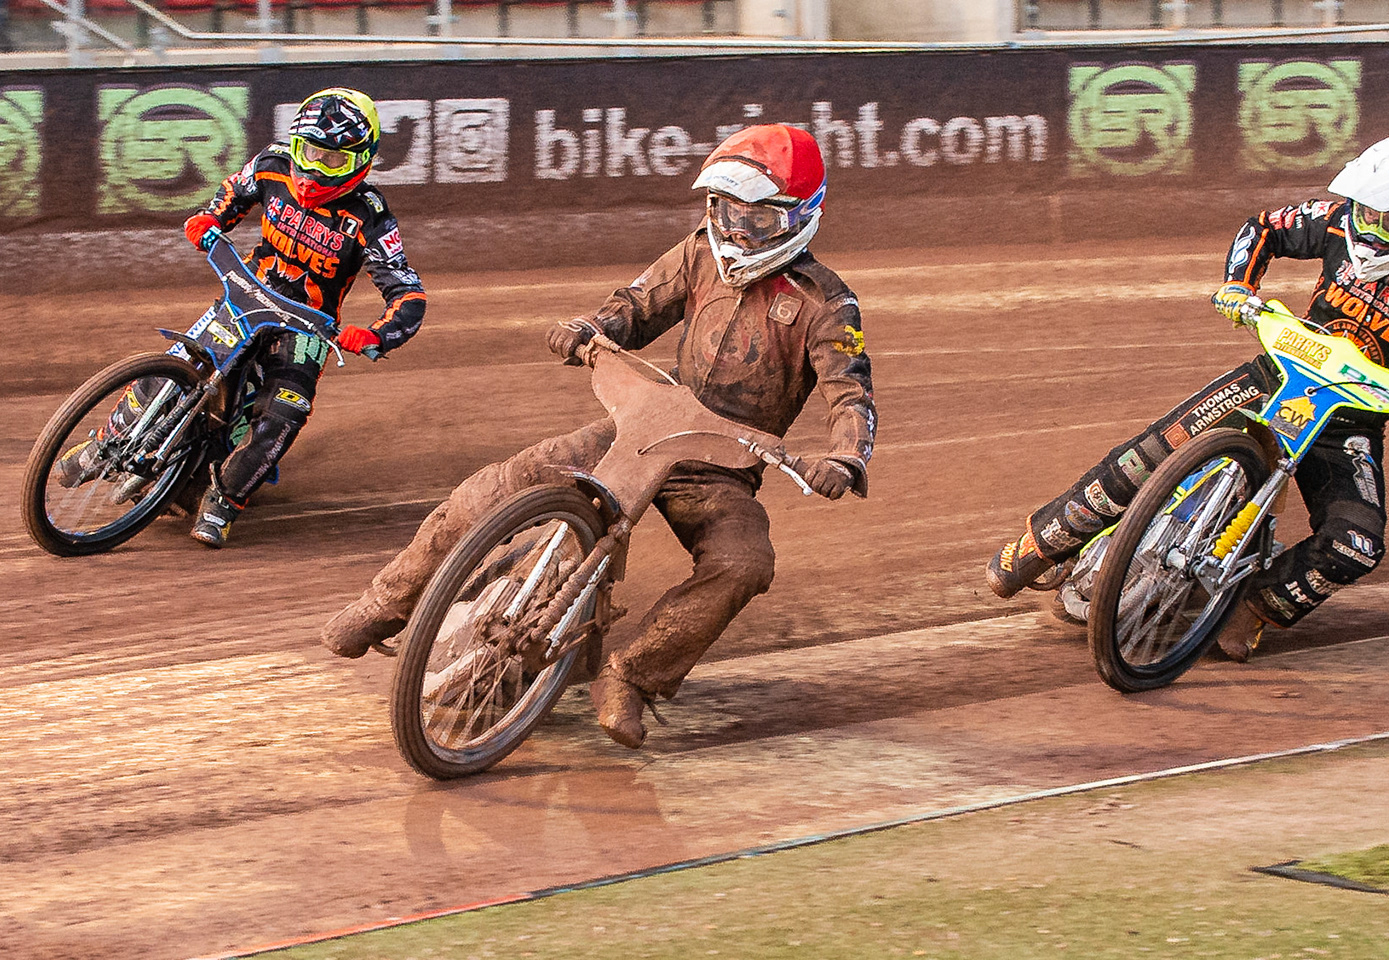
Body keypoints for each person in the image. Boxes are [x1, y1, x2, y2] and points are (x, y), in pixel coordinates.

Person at [321, 123, 876, 749]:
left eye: (757, 219)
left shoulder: (828, 304)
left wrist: (845, 457)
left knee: (744, 562)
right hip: (641, 426)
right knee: (498, 484)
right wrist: (589, 327)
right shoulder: (697, 252)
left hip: (721, 467)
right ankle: (386, 602)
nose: (737, 231)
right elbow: (636, 307)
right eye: (726, 211)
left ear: (799, 217)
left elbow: (850, 390)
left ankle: (633, 675)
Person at [985, 134, 1389, 661]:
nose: (1372, 229)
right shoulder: (1337, 223)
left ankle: (1251, 607)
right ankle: (1040, 547)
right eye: (1367, 211)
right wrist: (1240, 285)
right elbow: (1263, 226)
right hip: (1276, 373)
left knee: (1355, 543)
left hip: (1346, 424)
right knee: (1149, 454)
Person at [173, 86, 427, 547]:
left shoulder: (370, 215)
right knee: (182, 362)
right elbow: (233, 193)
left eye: (333, 161)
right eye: (310, 152)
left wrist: (376, 336)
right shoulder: (273, 164)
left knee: (287, 408)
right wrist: (210, 218)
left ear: (361, 160)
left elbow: (408, 294)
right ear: (295, 144)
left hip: (307, 325)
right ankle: (106, 437)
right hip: (247, 293)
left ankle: (225, 499)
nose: (315, 168)